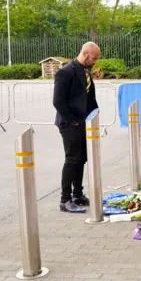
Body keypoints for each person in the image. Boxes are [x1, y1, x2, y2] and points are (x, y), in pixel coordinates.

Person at [53, 42, 101, 213]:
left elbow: (88, 96)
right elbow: (58, 101)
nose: (96, 61)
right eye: (94, 58)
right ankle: (65, 200)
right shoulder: (65, 73)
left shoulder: (85, 70)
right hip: (69, 123)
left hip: (82, 122)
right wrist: (72, 121)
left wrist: (94, 114)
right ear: (85, 54)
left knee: (81, 159)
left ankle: (77, 195)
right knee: (72, 159)